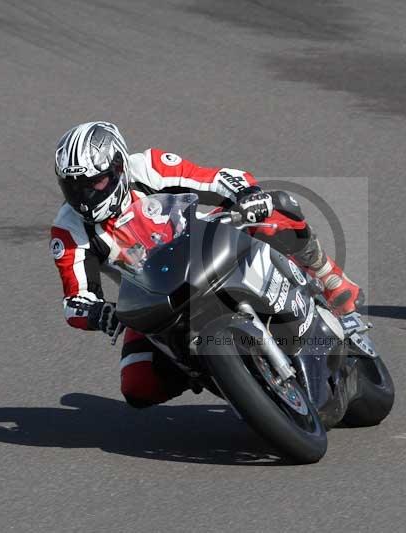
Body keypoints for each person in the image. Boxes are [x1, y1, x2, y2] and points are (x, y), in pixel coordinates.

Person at [50, 121, 363, 407]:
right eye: (74, 187)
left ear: (119, 167)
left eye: (96, 182)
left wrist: (248, 194)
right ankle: (220, 375)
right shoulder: (69, 229)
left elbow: (215, 179)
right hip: (156, 298)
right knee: (137, 385)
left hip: (206, 246)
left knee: (276, 210)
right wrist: (98, 313)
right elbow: (75, 299)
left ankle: (329, 278)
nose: (85, 196)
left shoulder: (147, 167)